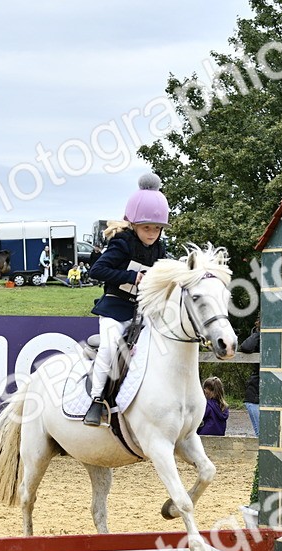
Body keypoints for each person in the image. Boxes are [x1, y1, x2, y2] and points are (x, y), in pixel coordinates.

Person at [83, 173, 170, 426]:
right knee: (110, 348)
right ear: (133, 225)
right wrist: (133, 276)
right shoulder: (121, 243)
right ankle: (97, 400)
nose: (152, 233)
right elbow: (96, 271)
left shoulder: (160, 248)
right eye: (146, 228)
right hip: (114, 308)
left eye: (156, 228)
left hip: (142, 312)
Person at [238, 317, 260, 437]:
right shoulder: (257, 338)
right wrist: (258, 333)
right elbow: (245, 347)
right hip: (255, 396)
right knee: (261, 435)